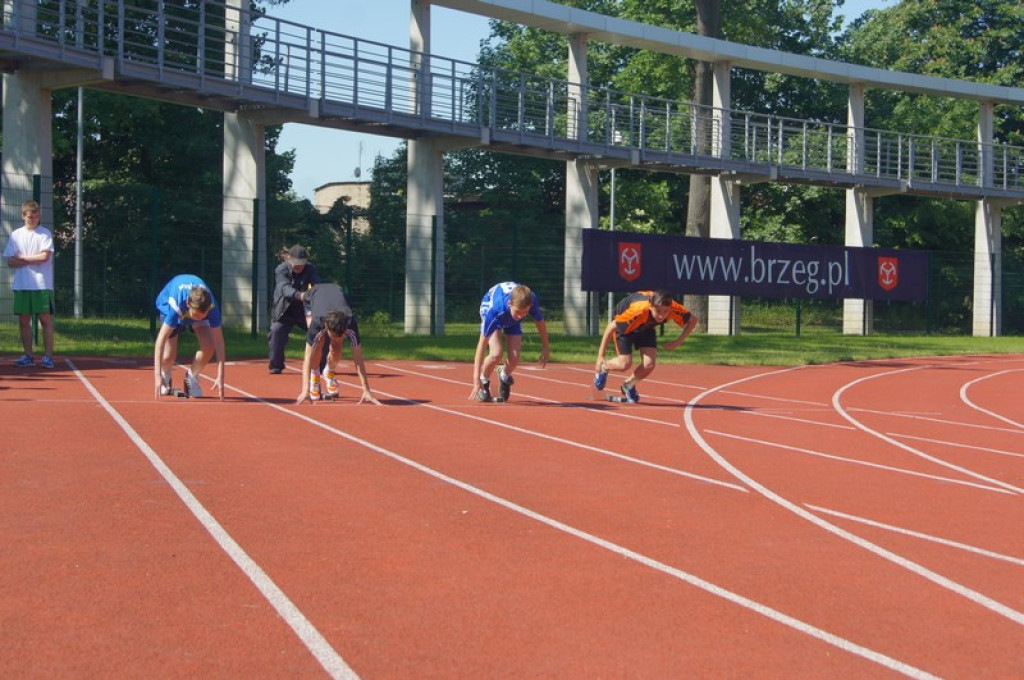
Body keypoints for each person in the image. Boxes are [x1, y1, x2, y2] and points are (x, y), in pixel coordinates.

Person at [593, 290, 697, 403]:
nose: (662, 315)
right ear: (651, 306)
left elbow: (692, 320)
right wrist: (600, 356)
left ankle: (629, 385)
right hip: (626, 327)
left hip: (646, 327)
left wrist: (677, 342)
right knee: (624, 364)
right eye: (658, 311)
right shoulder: (637, 310)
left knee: (649, 364)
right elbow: (611, 327)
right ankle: (605, 367)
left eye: (666, 311)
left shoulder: (673, 307)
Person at [294, 282, 380, 405]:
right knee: (318, 343)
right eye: (333, 335)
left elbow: (358, 359)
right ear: (327, 327)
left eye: (340, 335)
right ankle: (315, 377)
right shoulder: (318, 323)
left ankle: (329, 372)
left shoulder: (350, 323)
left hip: (337, 291)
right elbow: (307, 358)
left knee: (336, 346)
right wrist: (305, 390)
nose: (335, 338)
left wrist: (366, 390)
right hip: (315, 293)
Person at [469, 282, 550, 403]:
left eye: (525, 312)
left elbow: (540, 322)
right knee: (496, 353)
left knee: (515, 358)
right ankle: (484, 380)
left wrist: (546, 347)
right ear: (510, 303)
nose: (520, 316)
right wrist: (476, 380)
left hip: (509, 315)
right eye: (518, 312)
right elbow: (481, 344)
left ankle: (504, 375)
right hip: (493, 310)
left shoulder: (530, 300)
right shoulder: (495, 311)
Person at [153, 274, 226, 400]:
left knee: (209, 345)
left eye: (203, 315)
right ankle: (166, 375)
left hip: (195, 308)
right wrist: (157, 375)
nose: (199, 318)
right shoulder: (175, 304)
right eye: (197, 315)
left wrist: (221, 376)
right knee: (169, 356)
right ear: (188, 303)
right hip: (170, 307)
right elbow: (160, 340)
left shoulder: (211, 308)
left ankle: (191, 377)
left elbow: (219, 342)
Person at [4, 200, 55, 368]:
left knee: (45, 320)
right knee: (23, 322)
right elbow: (10, 261)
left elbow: (44, 257)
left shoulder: (45, 233)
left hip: (41, 284)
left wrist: (23, 258)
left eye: (35, 216)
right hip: (22, 284)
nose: (32, 219)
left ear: (39, 216)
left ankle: (48, 356)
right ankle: (28, 355)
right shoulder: (16, 235)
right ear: (23, 216)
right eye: (29, 217)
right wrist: (25, 259)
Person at [268, 244, 320, 374]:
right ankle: (276, 365)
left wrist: (315, 291)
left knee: (321, 331)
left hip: (305, 311)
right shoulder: (281, 270)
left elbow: (317, 284)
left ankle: (321, 364)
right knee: (276, 331)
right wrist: (300, 295)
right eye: (296, 263)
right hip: (285, 309)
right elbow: (284, 288)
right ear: (289, 260)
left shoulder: (311, 269)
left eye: (302, 263)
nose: (298, 266)